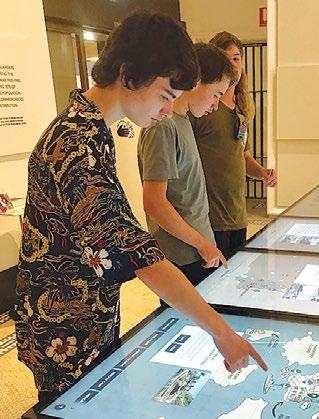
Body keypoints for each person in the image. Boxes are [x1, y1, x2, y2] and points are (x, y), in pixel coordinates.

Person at [14, 14, 267, 405]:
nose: (168, 110)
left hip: (88, 311)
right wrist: (221, 332)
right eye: (165, 95)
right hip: (64, 328)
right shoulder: (75, 143)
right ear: (128, 74)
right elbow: (134, 251)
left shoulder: (91, 130)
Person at [138, 43, 236, 286]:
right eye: (215, 94)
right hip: (181, 256)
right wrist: (201, 244)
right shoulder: (163, 126)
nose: (216, 105)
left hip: (198, 251)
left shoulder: (183, 121)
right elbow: (154, 202)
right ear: (197, 81)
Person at [190, 32, 277, 258]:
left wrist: (262, 173)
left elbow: (242, 155)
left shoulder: (242, 108)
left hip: (237, 214)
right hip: (210, 218)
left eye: (236, 58)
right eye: (226, 58)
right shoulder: (201, 108)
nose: (233, 65)